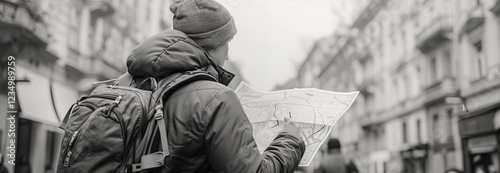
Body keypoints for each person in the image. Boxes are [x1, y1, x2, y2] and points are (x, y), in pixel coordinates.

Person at [125, 0, 306, 172]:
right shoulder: (217, 99)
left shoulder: (137, 83)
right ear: (213, 44)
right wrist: (290, 139)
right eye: (227, 43)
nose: (227, 56)